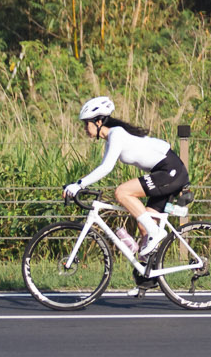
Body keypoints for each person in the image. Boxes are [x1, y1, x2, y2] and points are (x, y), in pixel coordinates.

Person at [64, 97, 189, 281]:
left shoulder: (117, 134)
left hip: (169, 171)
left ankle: (156, 233)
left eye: (86, 124)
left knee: (122, 192)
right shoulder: (113, 137)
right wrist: (80, 183)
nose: (84, 128)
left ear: (98, 122)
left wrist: (79, 184)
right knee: (144, 225)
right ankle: (147, 279)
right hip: (165, 172)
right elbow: (103, 166)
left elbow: (106, 168)